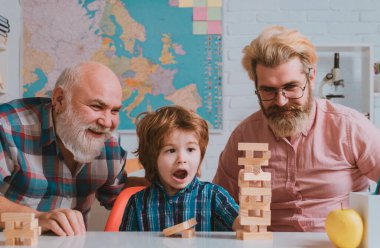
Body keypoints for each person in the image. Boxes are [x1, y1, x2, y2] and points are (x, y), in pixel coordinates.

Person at [213, 25, 380, 232]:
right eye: (268, 90)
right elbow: (218, 205)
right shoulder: (244, 135)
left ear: (311, 78)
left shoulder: (350, 127)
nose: (281, 102)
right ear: (256, 87)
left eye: (291, 87)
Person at [0, 61, 132, 236]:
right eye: (96, 107)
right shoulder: (7, 126)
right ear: (59, 99)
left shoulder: (109, 142)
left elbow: (118, 194)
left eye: (114, 111)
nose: (107, 122)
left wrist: (164, 179)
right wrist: (36, 219)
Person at [119, 106, 240, 231]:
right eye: (171, 150)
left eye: (190, 149)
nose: (182, 159)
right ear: (152, 159)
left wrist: (253, 196)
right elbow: (125, 243)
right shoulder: (137, 203)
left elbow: (243, 226)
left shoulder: (214, 196)